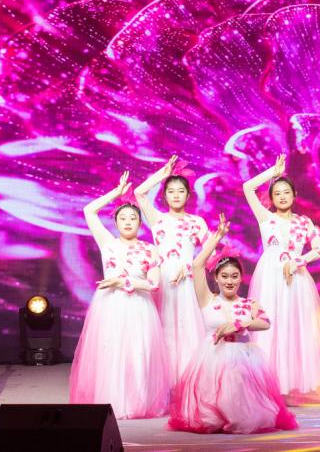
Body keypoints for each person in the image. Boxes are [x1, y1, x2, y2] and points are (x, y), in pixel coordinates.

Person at [168, 215, 298, 434]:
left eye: (234, 276)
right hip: (213, 357)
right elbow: (197, 265)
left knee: (244, 410)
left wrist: (240, 324)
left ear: (240, 278)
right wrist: (216, 238)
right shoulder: (207, 299)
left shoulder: (249, 304)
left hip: (243, 359)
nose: (229, 281)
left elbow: (265, 322)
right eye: (225, 276)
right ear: (216, 278)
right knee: (210, 414)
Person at [69, 171, 170, 419]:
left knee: (138, 352)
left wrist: (123, 281)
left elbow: (154, 284)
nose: (127, 222)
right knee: (111, 352)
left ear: (140, 222)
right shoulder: (108, 243)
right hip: (111, 304)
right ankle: (112, 402)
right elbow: (89, 211)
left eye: (133, 218)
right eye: (122, 218)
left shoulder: (150, 249)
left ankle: (137, 403)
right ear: (115, 222)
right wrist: (116, 193)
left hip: (139, 306)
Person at [244, 154, 320, 403]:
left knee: (295, 327)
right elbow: (247, 188)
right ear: (271, 198)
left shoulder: (304, 222)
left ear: (295, 195)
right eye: (277, 193)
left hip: (296, 278)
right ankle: (269, 383)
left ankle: (289, 383)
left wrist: (298, 261)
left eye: (287, 192)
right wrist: (272, 173)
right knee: (271, 325)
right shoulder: (266, 218)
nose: (282, 196)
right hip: (270, 277)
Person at [135, 155, 206, 379]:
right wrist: (162, 175)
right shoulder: (157, 219)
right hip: (162, 278)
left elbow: (211, 254)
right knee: (163, 327)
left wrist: (189, 267)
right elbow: (139, 193)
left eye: (181, 191)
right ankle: (164, 379)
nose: (176, 195)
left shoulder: (197, 222)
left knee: (188, 328)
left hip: (187, 279)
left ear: (188, 195)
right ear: (164, 196)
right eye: (171, 191)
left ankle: (186, 377)